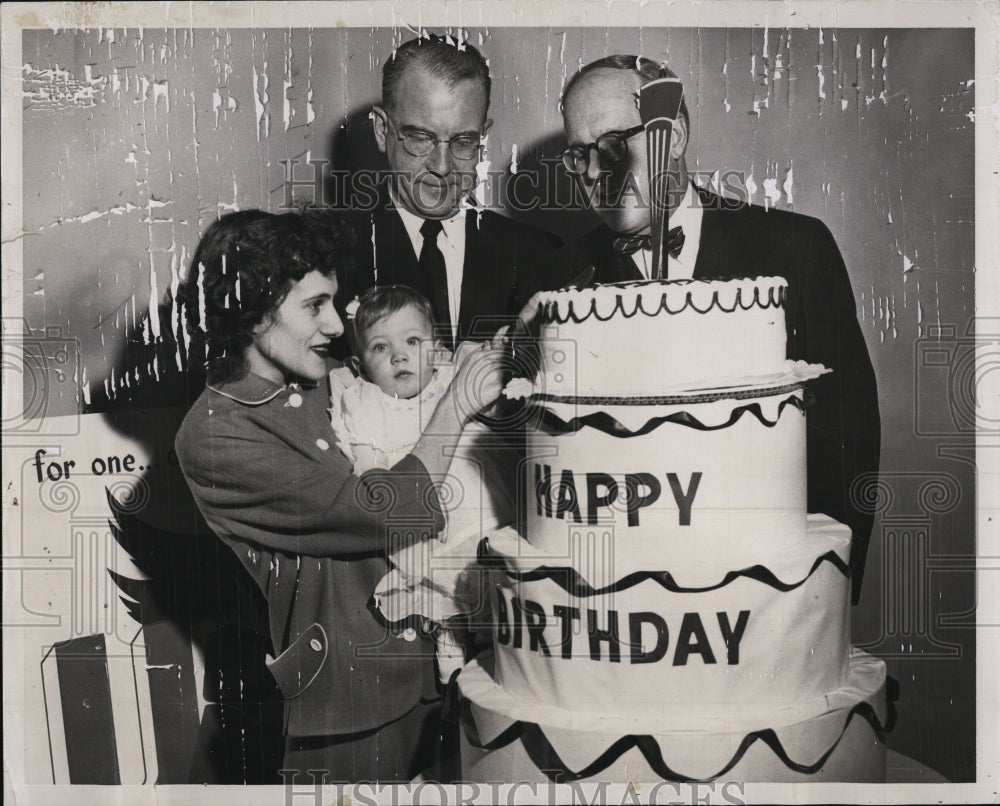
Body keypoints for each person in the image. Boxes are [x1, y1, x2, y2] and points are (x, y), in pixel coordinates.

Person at [173, 210, 506, 780]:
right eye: (314, 306)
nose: (334, 325)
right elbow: (377, 511)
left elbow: (423, 381)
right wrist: (455, 406)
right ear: (252, 310)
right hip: (349, 701)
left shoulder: (327, 377)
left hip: (437, 671)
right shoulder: (215, 433)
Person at [555, 55, 881, 603]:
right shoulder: (560, 278)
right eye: (579, 155)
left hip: (770, 596)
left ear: (674, 135)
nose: (594, 173)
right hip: (624, 611)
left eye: (614, 146)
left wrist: (824, 597)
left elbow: (847, 441)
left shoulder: (797, 248)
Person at [328, 284, 516, 681]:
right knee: (437, 577)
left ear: (435, 349)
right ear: (360, 364)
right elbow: (372, 478)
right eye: (380, 348)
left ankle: (507, 641)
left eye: (412, 341)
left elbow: (492, 388)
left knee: (502, 577)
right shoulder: (365, 402)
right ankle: (450, 631)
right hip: (425, 521)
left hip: (479, 504)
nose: (398, 355)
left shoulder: (451, 378)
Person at [343, 33, 562, 351]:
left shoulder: (539, 255)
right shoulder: (328, 251)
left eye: (463, 141)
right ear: (382, 130)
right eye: (420, 137)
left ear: (482, 137)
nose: (442, 166)